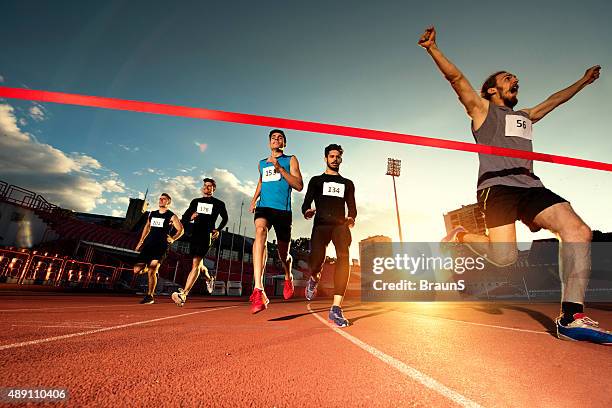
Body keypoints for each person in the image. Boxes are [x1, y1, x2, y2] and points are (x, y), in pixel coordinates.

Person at [419, 26, 610, 344]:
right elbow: (457, 81)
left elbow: (555, 100)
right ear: (491, 90)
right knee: (505, 257)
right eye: (507, 77)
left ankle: (571, 317)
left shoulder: (525, 115)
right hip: (498, 188)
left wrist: (583, 81)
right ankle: (460, 235)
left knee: (578, 231)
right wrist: (433, 49)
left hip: (531, 187)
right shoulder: (482, 111)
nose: (514, 80)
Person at [248, 129, 303, 314]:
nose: (276, 140)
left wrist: (279, 168)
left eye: (280, 138)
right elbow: (262, 181)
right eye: (273, 138)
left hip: (282, 210)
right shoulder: (261, 163)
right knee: (260, 231)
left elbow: (298, 185)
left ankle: (288, 276)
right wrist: (254, 198)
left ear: (284, 143)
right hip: (264, 207)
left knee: (283, 255)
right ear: (269, 143)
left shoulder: (291, 159)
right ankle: (258, 289)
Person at [302, 144, 356, 327]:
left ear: (341, 159)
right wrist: (306, 211)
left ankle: (336, 308)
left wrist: (351, 218)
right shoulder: (316, 181)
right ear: (325, 158)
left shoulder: (347, 183)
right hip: (321, 226)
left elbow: (352, 207)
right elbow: (306, 201)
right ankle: (314, 278)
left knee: (344, 257)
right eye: (331, 156)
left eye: (337, 156)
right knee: (316, 261)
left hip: (340, 226)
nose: (334, 159)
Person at [171, 178, 228, 307]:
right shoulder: (195, 202)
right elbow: (185, 217)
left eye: (209, 186)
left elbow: (225, 218)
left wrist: (218, 229)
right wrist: (190, 217)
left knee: (195, 263)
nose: (206, 188)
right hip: (195, 234)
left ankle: (184, 294)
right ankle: (209, 278)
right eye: (205, 186)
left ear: (214, 189)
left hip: (206, 234)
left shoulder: (219, 203)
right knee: (199, 264)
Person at [134, 193, 183, 304]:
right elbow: (147, 227)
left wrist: (173, 238)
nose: (161, 200)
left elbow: (181, 230)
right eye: (160, 198)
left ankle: (150, 296)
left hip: (161, 246)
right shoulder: (152, 213)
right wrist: (140, 241)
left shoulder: (171, 216)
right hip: (149, 245)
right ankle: (152, 270)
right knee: (137, 270)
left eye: (163, 199)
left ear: (168, 202)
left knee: (152, 270)